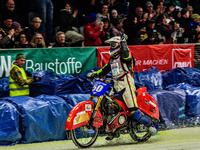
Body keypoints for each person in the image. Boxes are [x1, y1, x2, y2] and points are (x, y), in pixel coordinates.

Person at [87, 34, 157, 140]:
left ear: (119, 45)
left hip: (126, 84)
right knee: (109, 106)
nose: (111, 47)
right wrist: (94, 74)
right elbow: (104, 70)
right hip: (116, 85)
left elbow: (125, 54)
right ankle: (114, 131)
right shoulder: (112, 60)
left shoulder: (126, 56)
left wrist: (124, 42)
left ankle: (151, 125)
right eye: (111, 45)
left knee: (133, 111)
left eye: (114, 44)